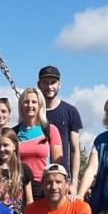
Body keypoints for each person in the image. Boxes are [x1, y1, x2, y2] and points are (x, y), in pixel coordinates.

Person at [38, 66, 83, 197]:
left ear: (59, 84)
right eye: (45, 82)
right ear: (39, 84)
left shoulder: (70, 111)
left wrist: (73, 182)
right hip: (38, 178)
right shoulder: (34, 112)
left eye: (53, 82)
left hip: (62, 177)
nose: (49, 86)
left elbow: (75, 149)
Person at [15, 87, 65, 200]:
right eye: (26, 102)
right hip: (19, 187)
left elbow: (58, 164)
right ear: (21, 106)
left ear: (40, 105)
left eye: (34, 102)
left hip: (43, 187)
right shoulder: (14, 132)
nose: (30, 105)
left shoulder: (50, 130)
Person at [0, 127, 34, 214]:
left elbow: (29, 200)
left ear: (14, 145)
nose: (2, 149)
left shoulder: (23, 168)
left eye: (5, 145)